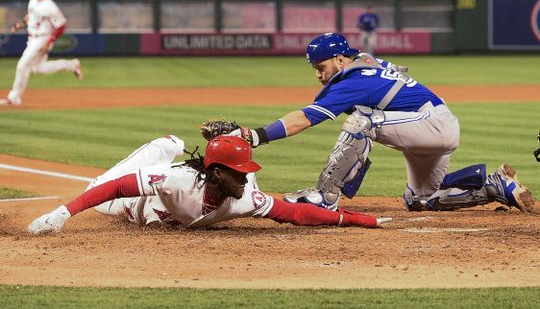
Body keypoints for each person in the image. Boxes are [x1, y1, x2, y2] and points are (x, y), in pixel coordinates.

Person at [210, 33, 536, 214]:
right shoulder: (366, 63)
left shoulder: (354, 79)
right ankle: (496, 186)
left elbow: (305, 118)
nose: (317, 72)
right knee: (421, 198)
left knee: (362, 120)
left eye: (320, 65)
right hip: (425, 125)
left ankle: (326, 195)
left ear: (339, 60)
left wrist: (253, 135)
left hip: (431, 123)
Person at [28, 135, 391, 235]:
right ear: (217, 173)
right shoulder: (175, 180)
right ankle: (167, 143)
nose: (248, 176)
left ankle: (175, 144)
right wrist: (63, 213)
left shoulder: (247, 197)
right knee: (107, 178)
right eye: (240, 171)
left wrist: (360, 219)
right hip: (131, 206)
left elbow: (295, 213)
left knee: (168, 152)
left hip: (164, 205)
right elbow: (119, 187)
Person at [1, 0, 83, 107]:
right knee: (39, 69)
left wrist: (49, 41)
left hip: (42, 38)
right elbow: (30, 16)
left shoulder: (50, 6)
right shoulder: (33, 0)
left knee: (22, 65)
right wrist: (19, 24)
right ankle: (71, 65)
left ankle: (14, 97)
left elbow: (61, 26)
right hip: (32, 37)